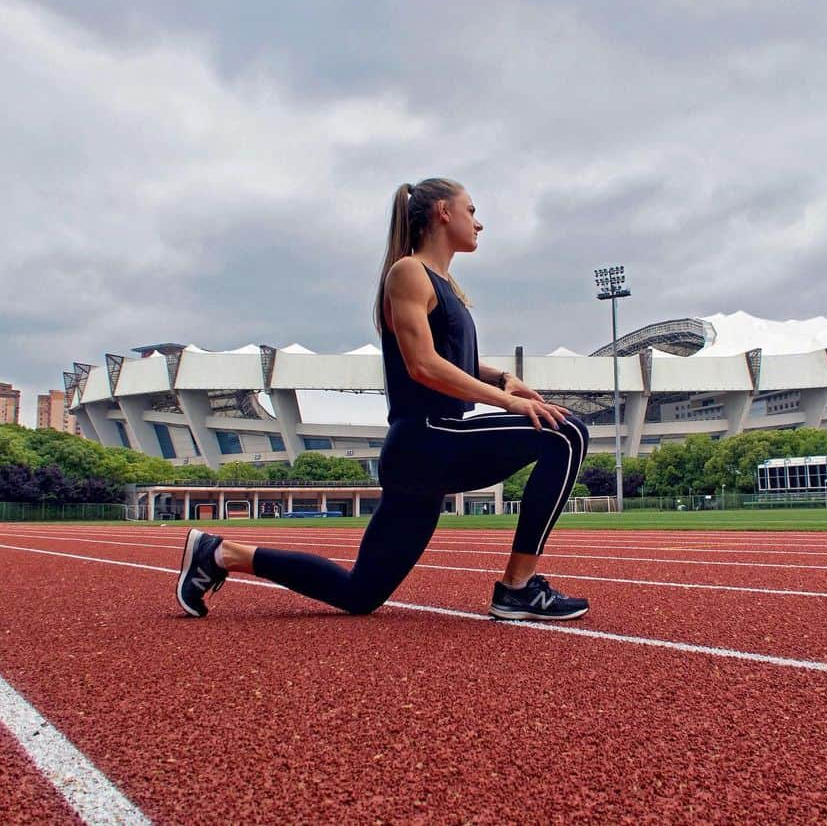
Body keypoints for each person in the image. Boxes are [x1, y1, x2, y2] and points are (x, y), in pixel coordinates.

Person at [176, 178, 590, 621]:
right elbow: (423, 365)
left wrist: (505, 379)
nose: (480, 223)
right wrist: (507, 403)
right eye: (471, 210)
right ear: (443, 212)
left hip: (427, 454)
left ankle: (220, 554)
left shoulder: (446, 286)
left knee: (360, 593)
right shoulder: (409, 272)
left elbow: (454, 362)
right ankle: (517, 588)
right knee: (565, 433)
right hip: (428, 438)